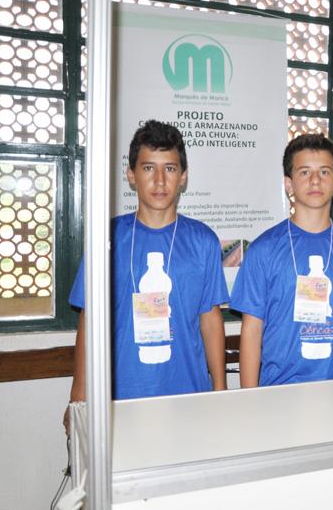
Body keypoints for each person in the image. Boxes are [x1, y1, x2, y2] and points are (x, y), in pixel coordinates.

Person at [66, 120, 228, 422]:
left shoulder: (203, 240)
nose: (160, 181)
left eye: (170, 168)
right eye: (148, 168)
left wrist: (220, 391)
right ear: (131, 174)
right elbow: (90, 318)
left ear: (183, 176)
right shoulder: (107, 238)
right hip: (118, 399)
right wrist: (79, 395)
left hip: (189, 395)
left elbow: (210, 318)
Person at [230, 134, 333, 387]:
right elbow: (252, 331)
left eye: (324, 172)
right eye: (304, 172)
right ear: (288, 184)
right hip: (281, 392)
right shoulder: (263, 250)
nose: (315, 180)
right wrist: (248, 399)